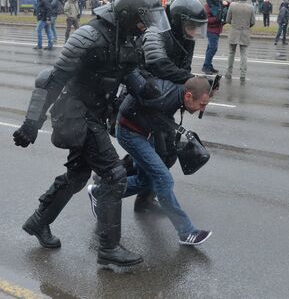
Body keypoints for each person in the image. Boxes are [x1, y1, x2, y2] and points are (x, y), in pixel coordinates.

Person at [13, 0, 171, 267]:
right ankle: (108, 248)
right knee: (114, 175)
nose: (143, 26)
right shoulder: (89, 36)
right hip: (75, 114)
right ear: (127, 15)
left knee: (77, 175)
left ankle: (39, 221)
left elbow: (130, 73)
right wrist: (31, 123)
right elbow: (54, 79)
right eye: (141, 20)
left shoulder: (125, 37)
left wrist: (153, 95)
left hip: (95, 116)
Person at [89, 75, 213, 246]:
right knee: (164, 178)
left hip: (143, 133)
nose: (201, 109)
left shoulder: (177, 96)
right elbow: (134, 96)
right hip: (129, 133)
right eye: (201, 104)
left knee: (146, 180)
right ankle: (186, 232)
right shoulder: (164, 96)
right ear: (188, 96)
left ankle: (100, 192)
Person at [132, 0, 208, 211]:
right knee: (155, 154)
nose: (194, 32)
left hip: (164, 102)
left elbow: (182, 71)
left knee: (164, 153)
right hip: (143, 101)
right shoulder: (157, 33)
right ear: (178, 21)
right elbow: (160, 66)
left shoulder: (185, 38)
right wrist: (194, 81)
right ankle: (109, 183)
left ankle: (143, 198)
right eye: (192, 26)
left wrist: (199, 87)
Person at [225, 0, 255, 82]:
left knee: (231, 53)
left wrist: (235, 25)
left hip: (234, 31)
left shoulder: (232, 5)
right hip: (245, 32)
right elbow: (252, 22)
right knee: (244, 54)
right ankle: (243, 74)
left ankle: (229, 72)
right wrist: (245, 27)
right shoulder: (251, 7)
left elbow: (228, 20)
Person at [202, 0, 227, 75]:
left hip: (216, 29)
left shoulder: (217, 4)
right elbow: (205, 19)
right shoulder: (207, 6)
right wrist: (216, 19)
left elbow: (228, 5)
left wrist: (224, 1)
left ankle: (208, 65)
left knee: (210, 48)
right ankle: (206, 67)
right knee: (213, 48)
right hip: (211, 30)